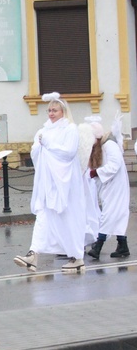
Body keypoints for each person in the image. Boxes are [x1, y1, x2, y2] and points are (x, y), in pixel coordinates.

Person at [14, 92, 88, 274]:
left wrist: (48, 145)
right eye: (49, 110)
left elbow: (68, 153)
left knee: (68, 219)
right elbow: (36, 153)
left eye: (54, 110)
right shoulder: (44, 130)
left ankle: (77, 257)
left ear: (63, 111)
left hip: (65, 184)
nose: (51, 113)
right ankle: (33, 255)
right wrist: (39, 147)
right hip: (47, 184)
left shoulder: (69, 130)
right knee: (43, 216)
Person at [85, 121, 130, 260]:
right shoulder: (100, 147)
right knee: (117, 214)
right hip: (109, 185)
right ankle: (123, 246)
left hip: (116, 185)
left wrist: (98, 172)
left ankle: (98, 246)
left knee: (109, 213)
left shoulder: (109, 145)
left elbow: (115, 165)